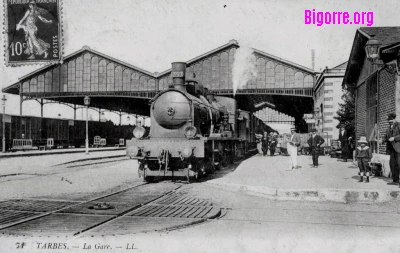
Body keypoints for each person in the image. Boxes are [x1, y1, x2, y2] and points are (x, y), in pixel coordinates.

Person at [383, 113, 400, 185]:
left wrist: (395, 138)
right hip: (391, 149)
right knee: (392, 164)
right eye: (388, 120)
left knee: (399, 164)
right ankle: (395, 181)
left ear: (394, 119)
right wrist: (383, 140)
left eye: (391, 119)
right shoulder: (388, 128)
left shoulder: (398, 125)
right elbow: (386, 137)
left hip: (398, 148)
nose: (389, 121)